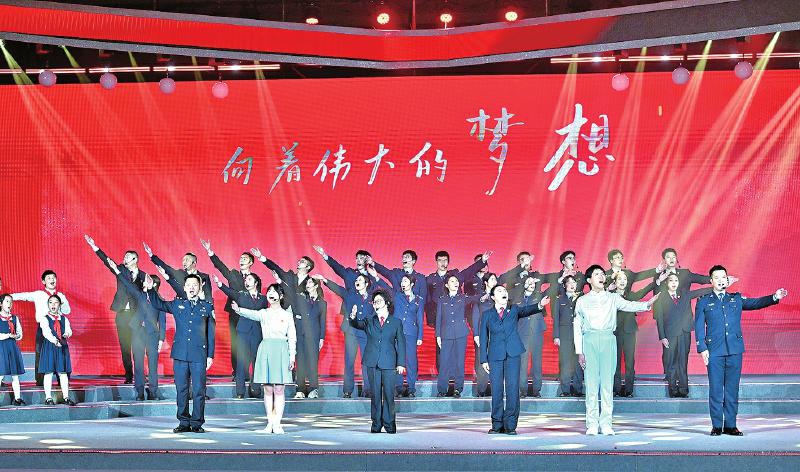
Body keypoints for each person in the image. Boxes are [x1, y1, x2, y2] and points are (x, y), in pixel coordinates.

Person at [695, 265, 787, 436]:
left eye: (723, 277)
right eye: (717, 277)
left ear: (727, 279)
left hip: (734, 350)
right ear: (711, 281)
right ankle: (717, 425)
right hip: (714, 351)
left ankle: (731, 425)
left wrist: (774, 297)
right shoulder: (704, 301)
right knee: (716, 390)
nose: (721, 280)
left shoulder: (735, 299)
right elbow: (699, 326)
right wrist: (702, 348)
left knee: (732, 389)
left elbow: (756, 303)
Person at [574, 265, 658, 435]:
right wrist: (579, 351)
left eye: (602, 274)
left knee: (607, 383)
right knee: (591, 384)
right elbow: (577, 325)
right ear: (589, 280)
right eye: (597, 274)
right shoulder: (582, 300)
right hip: (589, 340)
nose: (601, 276)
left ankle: (606, 424)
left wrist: (646, 305)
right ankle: (592, 424)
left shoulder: (612, 297)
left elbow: (629, 305)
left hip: (608, 339)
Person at [144, 274, 215, 433]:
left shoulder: (207, 307)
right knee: (181, 389)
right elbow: (158, 304)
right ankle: (183, 422)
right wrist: (151, 289)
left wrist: (210, 355)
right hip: (180, 354)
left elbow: (211, 333)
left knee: (198, 390)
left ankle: (197, 423)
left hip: (199, 355)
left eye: (195, 285)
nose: (191, 287)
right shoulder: (177, 304)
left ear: (200, 287)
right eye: (189, 284)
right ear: (184, 288)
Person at [479, 285, 549, 435]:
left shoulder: (514, 309)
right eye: (499, 291)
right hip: (495, 356)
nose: (503, 292)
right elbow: (483, 337)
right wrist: (483, 359)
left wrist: (539, 305)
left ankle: (510, 425)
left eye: (504, 291)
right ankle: (497, 424)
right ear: (493, 297)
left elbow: (527, 310)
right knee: (497, 390)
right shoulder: (487, 314)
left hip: (513, 354)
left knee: (512, 389)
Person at [232, 283, 297, 434]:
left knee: (279, 388)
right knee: (268, 389)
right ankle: (270, 423)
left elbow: (292, 337)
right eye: (269, 291)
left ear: (281, 296)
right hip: (266, 348)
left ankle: (277, 424)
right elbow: (251, 314)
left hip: (281, 350)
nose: (271, 294)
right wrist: (238, 310)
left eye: (274, 292)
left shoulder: (287, 315)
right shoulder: (264, 313)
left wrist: (292, 357)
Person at [104, 256, 168, 401]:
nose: (144, 282)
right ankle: (139, 392)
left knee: (152, 365)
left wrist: (161, 339)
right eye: (145, 280)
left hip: (152, 334)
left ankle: (153, 392)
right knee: (138, 363)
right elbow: (127, 284)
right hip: (138, 332)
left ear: (154, 285)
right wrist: (117, 271)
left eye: (148, 281)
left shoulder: (160, 300)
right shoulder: (139, 295)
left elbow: (162, 321)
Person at [85, 235, 144, 384]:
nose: (124, 259)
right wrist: (94, 246)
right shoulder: (121, 271)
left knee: (137, 347)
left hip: (136, 315)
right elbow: (107, 261)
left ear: (135, 259)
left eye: (127, 257)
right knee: (125, 347)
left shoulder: (143, 276)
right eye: (124, 257)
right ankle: (129, 375)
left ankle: (140, 375)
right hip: (122, 315)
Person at [349, 289, 406, 434]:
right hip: (372, 362)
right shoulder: (369, 320)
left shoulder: (396, 322)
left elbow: (401, 343)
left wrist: (401, 363)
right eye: (374, 302)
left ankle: (389, 424)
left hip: (389, 363)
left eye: (379, 301)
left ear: (387, 303)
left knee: (388, 394)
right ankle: (376, 424)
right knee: (375, 395)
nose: (376, 304)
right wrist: (353, 316)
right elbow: (356, 324)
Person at [201, 239, 257, 381]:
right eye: (241, 258)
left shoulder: (255, 279)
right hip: (235, 313)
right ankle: (237, 372)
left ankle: (245, 372)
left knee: (248, 343)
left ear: (251, 262)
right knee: (235, 342)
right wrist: (210, 252)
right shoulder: (233, 274)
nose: (241, 260)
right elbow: (221, 267)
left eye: (245, 258)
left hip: (249, 314)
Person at [653, 272, 712, 398]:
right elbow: (659, 318)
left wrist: (716, 287)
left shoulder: (684, 294)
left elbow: (699, 292)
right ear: (666, 283)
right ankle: (673, 390)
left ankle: (684, 389)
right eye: (671, 281)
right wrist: (662, 337)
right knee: (671, 363)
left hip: (684, 333)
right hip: (670, 334)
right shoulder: (661, 297)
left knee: (683, 361)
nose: (674, 283)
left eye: (676, 280)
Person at [11, 270, 71, 386]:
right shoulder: (39, 294)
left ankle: (63, 381)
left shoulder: (60, 296)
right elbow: (24, 296)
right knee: (41, 352)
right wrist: (8, 297)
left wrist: (63, 302)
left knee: (61, 352)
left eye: (53, 278)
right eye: (49, 278)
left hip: (58, 326)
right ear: (43, 281)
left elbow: (67, 311)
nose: (52, 280)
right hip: (43, 327)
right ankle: (40, 381)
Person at [212, 273, 265, 400]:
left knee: (256, 361)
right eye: (246, 279)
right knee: (241, 362)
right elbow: (229, 292)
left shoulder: (263, 299)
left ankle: (255, 389)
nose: (246, 281)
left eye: (250, 279)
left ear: (256, 282)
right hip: (242, 332)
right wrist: (219, 284)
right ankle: (240, 391)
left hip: (257, 332)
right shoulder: (241, 295)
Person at [610, 270, 658, 397]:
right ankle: (615, 389)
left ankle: (628, 390)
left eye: (625, 279)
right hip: (614, 333)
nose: (622, 281)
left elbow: (643, 292)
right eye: (619, 279)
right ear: (615, 282)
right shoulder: (609, 296)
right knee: (615, 362)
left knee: (630, 361)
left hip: (630, 332)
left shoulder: (631, 295)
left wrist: (656, 282)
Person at [435, 274, 483, 397]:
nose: (456, 283)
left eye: (456, 281)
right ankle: (442, 389)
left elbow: (476, 298)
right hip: (446, 334)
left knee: (459, 362)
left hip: (461, 333)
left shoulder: (463, 297)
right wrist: (438, 335)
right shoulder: (442, 299)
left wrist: (488, 293)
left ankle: (458, 388)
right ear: (447, 285)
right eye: (452, 281)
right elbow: (439, 318)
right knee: (444, 362)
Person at [387, 274, 423, 397]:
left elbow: (419, 319)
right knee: (398, 359)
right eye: (402, 281)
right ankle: (399, 387)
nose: (403, 283)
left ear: (411, 284)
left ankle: (411, 387)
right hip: (397, 332)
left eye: (405, 281)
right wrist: (375, 276)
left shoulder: (418, 299)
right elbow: (384, 285)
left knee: (411, 360)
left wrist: (420, 336)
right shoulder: (397, 296)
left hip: (411, 333)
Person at [291, 277, 327, 399]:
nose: (308, 284)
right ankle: (300, 389)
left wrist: (322, 338)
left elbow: (323, 322)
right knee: (300, 362)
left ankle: (313, 389)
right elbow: (295, 313)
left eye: (311, 282)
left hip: (314, 336)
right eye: (307, 282)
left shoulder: (322, 303)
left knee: (312, 362)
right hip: (300, 334)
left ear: (316, 286)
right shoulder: (301, 298)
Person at [38, 295, 75, 406]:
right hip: (50, 347)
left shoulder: (64, 319)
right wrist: (54, 340)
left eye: (55, 302)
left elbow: (69, 330)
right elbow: (46, 332)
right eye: (51, 302)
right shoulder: (45, 318)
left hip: (61, 347)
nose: (53, 305)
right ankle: (48, 398)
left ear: (59, 305)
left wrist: (67, 334)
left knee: (63, 373)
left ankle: (66, 397)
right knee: (48, 372)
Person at [551, 276, 584, 397]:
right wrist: (556, 336)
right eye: (569, 283)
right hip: (564, 335)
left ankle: (578, 390)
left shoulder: (581, 299)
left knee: (578, 362)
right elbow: (556, 319)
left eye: (574, 282)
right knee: (565, 362)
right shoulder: (559, 300)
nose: (572, 284)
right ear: (564, 286)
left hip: (579, 334)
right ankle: (565, 390)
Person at [0, 294, 26, 405]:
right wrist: (8, 335)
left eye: (11, 301)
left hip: (12, 348)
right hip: (1, 347)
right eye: (7, 301)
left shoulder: (15, 318)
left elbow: (19, 333)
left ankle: (17, 398)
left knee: (15, 375)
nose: (9, 304)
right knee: (0, 374)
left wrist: (17, 336)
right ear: (0, 304)